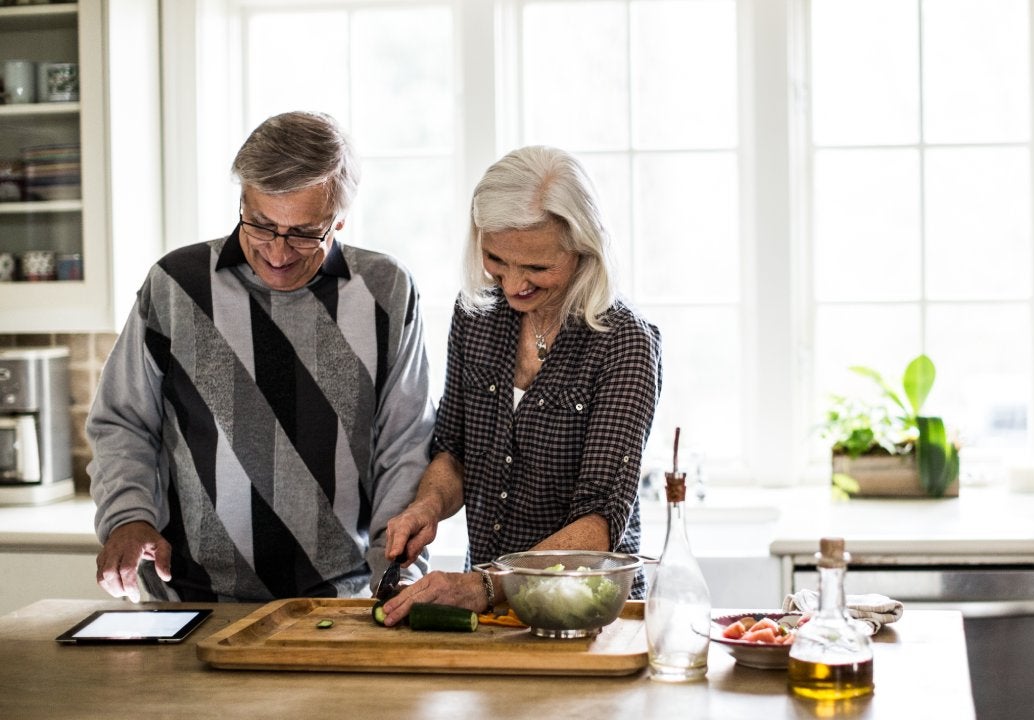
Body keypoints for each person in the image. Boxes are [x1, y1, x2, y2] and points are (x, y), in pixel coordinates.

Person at [88, 111, 434, 603]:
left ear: (339, 219)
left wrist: (396, 570)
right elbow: (122, 421)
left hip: (339, 601)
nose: (278, 252)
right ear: (242, 202)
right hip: (190, 598)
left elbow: (404, 444)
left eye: (304, 232)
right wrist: (127, 518)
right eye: (261, 225)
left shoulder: (386, 291)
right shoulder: (175, 285)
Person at [378, 146, 662, 625]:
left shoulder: (624, 343)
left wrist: (488, 584)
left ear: (584, 249)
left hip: (589, 613)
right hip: (490, 611)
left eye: (536, 268)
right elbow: (453, 453)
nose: (512, 285)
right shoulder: (476, 316)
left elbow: (598, 522)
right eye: (496, 259)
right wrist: (428, 505)